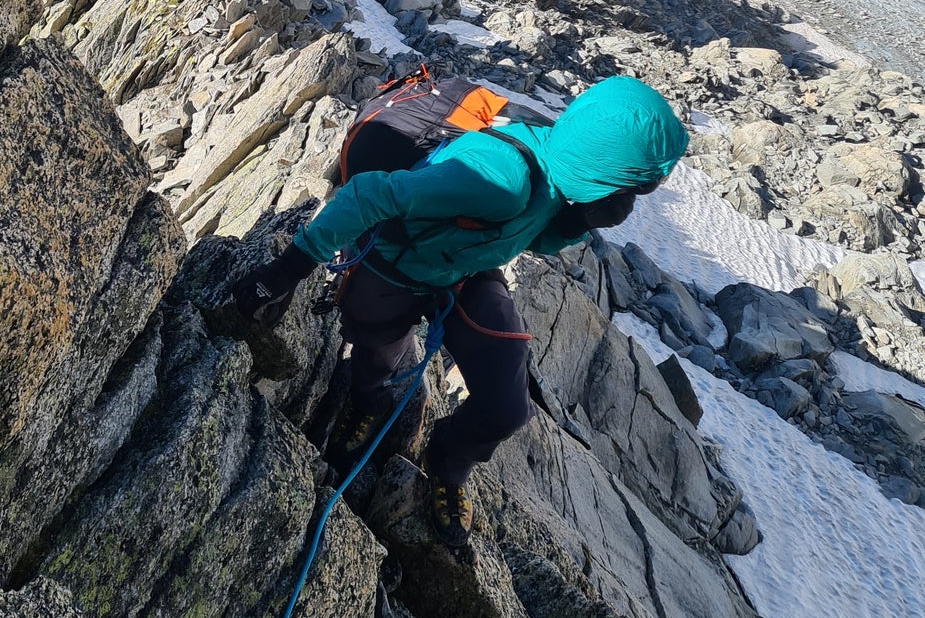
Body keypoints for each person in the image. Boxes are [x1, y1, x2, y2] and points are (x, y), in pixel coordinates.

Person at [232, 74, 689, 548]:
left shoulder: (558, 167)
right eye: (633, 187)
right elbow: (371, 194)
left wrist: (572, 223)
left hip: (466, 268)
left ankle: (447, 464)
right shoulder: (500, 178)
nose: (631, 202)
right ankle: (367, 405)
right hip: (395, 265)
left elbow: (525, 232)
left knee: (507, 406)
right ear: (604, 166)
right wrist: (288, 269)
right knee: (375, 357)